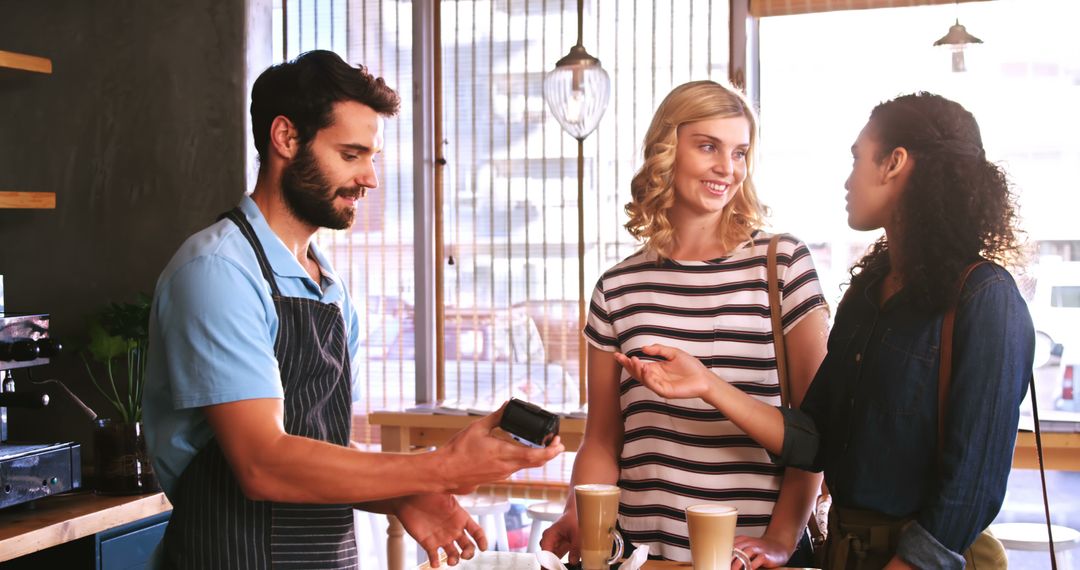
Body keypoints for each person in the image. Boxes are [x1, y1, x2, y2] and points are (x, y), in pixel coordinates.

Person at [142, 50, 563, 570]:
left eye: (372, 157)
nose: (371, 178)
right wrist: (437, 467)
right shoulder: (216, 272)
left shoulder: (332, 290)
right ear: (285, 138)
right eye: (350, 154)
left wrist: (403, 495)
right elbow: (262, 464)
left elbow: (322, 460)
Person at [617, 92, 1033, 570]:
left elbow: (973, 483)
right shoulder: (868, 294)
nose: (847, 179)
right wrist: (706, 385)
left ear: (894, 163)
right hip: (847, 551)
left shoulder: (986, 297)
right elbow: (814, 437)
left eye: (857, 159)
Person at [540, 80, 831, 567]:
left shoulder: (782, 265)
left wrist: (781, 540)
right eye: (708, 147)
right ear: (666, 150)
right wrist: (577, 508)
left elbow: (818, 432)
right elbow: (603, 438)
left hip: (747, 557)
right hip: (639, 555)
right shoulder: (617, 287)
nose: (727, 168)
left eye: (739, 152)